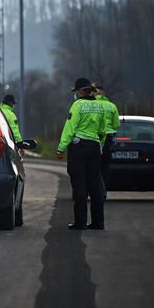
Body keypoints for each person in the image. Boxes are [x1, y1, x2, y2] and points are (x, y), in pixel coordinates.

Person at [56, 77, 107, 230]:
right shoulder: (100, 106)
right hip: (94, 146)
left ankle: (80, 222)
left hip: (79, 148)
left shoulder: (77, 105)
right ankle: (98, 222)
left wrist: (61, 148)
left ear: (79, 91)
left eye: (76, 91)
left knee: (79, 184)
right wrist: (100, 146)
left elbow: (70, 128)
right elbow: (103, 130)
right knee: (95, 185)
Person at [94, 84, 120, 192]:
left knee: (94, 165)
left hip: (95, 137)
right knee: (105, 166)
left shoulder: (92, 105)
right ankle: (104, 190)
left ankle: (94, 190)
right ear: (104, 94)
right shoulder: (112, 106)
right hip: (108, 138)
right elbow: (116, 124)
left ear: (95, 93)